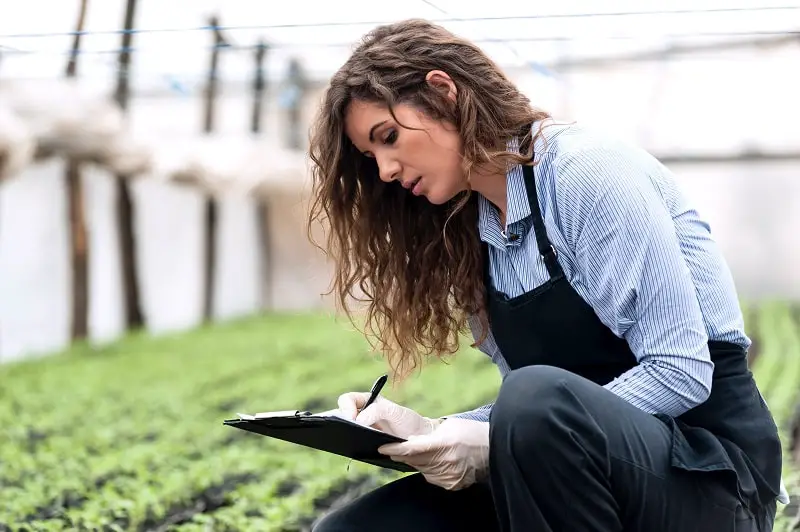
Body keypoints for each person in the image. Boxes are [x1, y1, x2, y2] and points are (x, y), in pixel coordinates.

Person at [305, 18, 787, 532]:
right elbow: (536, 419)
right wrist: (432, 431)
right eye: (371, 155)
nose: (384, 170)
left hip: (706, 478)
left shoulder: (585, 171)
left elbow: (680, 370)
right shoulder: (478, 233)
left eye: (389, 137)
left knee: (533, 399)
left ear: (443, 92)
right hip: (571, 473)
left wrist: (492, 441)